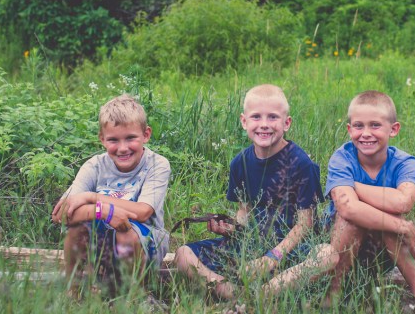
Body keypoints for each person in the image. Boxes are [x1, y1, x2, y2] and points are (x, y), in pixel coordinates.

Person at [174, 84, 336, 299]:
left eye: (273, 117)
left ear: (286, 123)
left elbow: (305, 224)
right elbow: (245, 211)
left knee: (328, 255)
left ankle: (264, 295)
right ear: (244, 121)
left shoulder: (301, 164)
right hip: (251, 246)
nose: (264, 124)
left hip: (291, 250)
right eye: (256, 117)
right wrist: (232, 229)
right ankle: (234, 294)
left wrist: (272, 258)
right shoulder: (239, 163)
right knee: (183, 255)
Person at [324, 91, 415, 314]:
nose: (366, 133)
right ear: (349, 130)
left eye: (375, 125)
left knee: (387, 217)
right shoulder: (343, 158)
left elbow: (403, 201)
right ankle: (331, 296)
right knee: (352, 219)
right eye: (358, 126)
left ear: (393, 129)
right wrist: (402, 226)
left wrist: (352, 187)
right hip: (339, 249)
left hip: (383, 253)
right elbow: (348, 208)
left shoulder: (404, 162)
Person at [51, 94, 171, 292]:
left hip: (144, 245)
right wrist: (103, 212)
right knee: (75, 231)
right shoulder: (95, 166)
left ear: (146, 134)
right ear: (102, 139)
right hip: (101, 243)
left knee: (125, 233)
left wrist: (92, 197)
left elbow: (142, 212)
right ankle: (74, 292)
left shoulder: (157, 164)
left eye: (130, 138)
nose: (123, 148)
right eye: (113, 140)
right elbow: (60, 214)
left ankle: (134, 296)